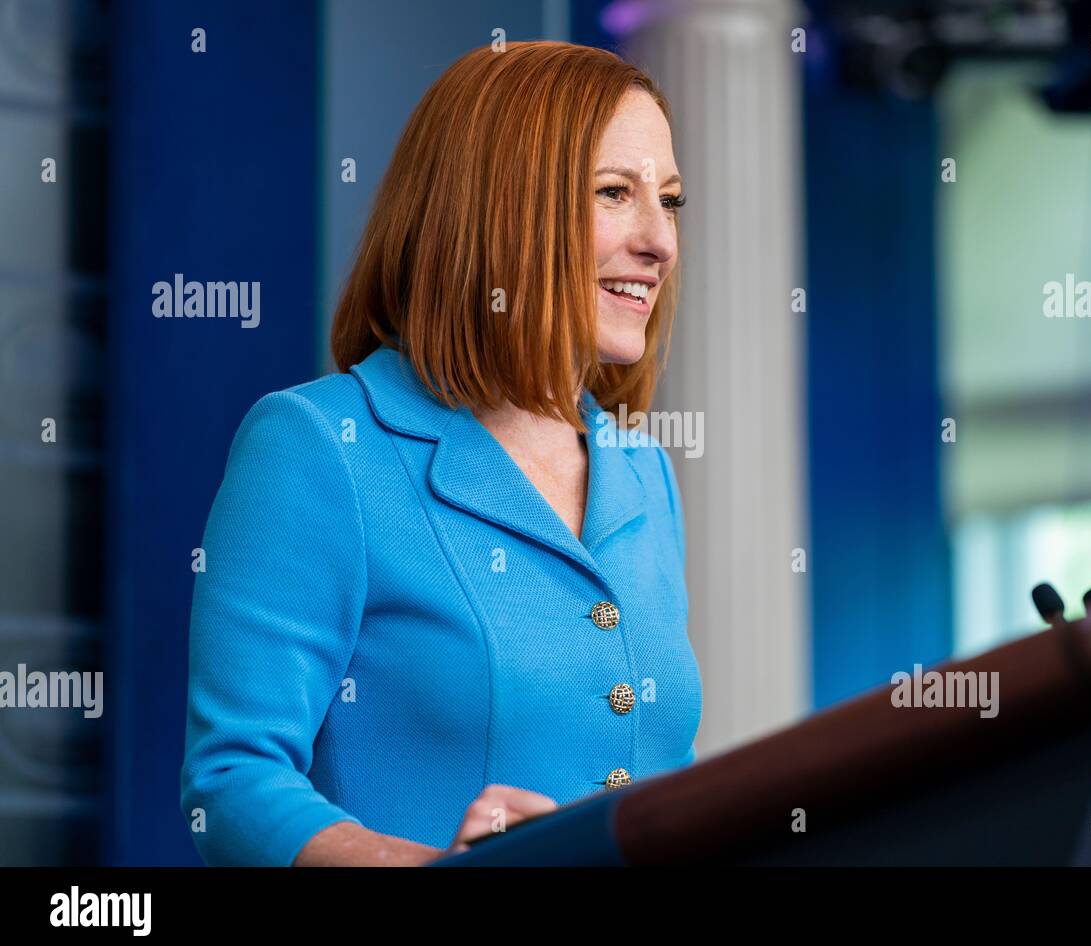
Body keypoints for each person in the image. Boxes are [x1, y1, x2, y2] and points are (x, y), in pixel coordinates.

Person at [180, 40, 701, 866]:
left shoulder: (645, 472)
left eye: (670, 202)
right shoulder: (318, 447)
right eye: (614, 193)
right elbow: (234, 780)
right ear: (500, 206)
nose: (660, 243)